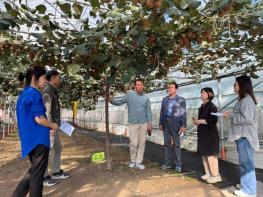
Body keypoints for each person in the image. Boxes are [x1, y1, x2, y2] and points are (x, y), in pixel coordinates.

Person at [12, 66, 59, 197]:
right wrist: (52, 125)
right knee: (37, 178)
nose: (45, 81)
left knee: (34, 172)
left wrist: (48, 126)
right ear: (34, 78)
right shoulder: (34, 94)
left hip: (30, 140)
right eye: (43, 78)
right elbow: (39, 119)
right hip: (38, 141)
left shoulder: (24, 94)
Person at [224, 75, 259, 197]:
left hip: (245, 137)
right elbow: (243, 116)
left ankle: (249, 191)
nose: (234, 86)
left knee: (246, 164)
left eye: (236, 84)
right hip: (242, 136)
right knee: (244, 162)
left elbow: (247, 118)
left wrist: (231, 116)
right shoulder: (242, 100)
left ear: (242, 85)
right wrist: (232, 114)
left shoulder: (247, 100)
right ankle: (246, 185)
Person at [110, 79, 152, 170]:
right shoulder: (130, 95)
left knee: (142, 143)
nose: (140, 86)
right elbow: (119, 102)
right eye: (138, 85)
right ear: (135, 86)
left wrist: (149, 123)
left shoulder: (146, 98)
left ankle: (139, 162)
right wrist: (110, 100)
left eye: (141, 85)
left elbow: (149, 111)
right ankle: (133, 160)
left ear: (143, 86)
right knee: (133, 143)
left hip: (144, 123)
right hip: (133, 123)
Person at [42, 70, 70, 186]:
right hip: (50, 126)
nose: (60, 79)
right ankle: (43, 177)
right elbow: (46, 112)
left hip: (54, 125)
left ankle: (56, 171)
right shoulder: (47, 91)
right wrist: (50, 127)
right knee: (46, 151)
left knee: (57, 148)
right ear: (53, 78)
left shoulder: (52, 90)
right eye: (58, 77)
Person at [192, 87, 222, 184]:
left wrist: (200, 121)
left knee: (211, 154)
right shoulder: (201, 107)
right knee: (204, 154)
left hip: (210, 134)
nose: (201, 95)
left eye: (203, 93)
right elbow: (202, 121)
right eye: (201, 93)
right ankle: (208, 173)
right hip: (203, 134)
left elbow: (213, 120)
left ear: (209, 94)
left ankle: (216, 175)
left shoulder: (212, 107)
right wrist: (197, 122)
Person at [159, 82, 187, 172]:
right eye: (168, 87)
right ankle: (167, 164)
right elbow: (162, 112)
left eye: (171, 87)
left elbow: (183, 113)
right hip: (166, 123)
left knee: (177, 145)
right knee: (167, 144)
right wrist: (160, 123)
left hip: (176, 124)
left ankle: (178, 165)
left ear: (176, 89)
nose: (169, 89)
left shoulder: (180, 100)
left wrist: (183, 125)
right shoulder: (165, 100)